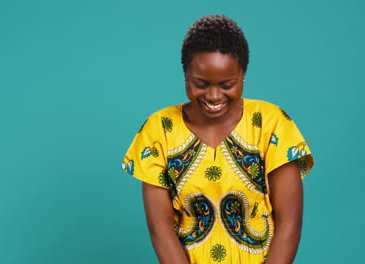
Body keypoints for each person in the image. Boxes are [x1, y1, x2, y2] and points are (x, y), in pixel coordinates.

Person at [122, 15, 314, 264]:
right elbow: (160, 229)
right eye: (201, 84)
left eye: (227, 84)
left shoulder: (272, 124)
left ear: (243, 76)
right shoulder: (159, 131)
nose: (214, 96)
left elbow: (290, 223)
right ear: (186, 76)